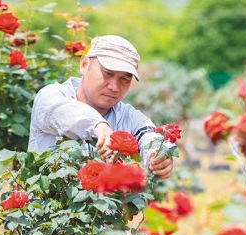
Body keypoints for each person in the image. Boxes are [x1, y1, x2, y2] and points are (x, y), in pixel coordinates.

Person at [28, 35, 174, 179]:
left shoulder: (128, 116)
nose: (114, 86)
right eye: (108, 73)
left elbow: (148, 134)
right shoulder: (52, 96)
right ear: (84, 65)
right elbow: (60, 111)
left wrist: (158, 156)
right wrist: (98, 125)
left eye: (125, 78)